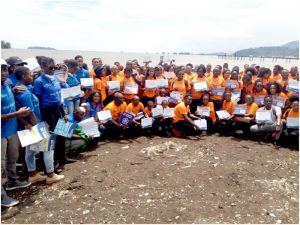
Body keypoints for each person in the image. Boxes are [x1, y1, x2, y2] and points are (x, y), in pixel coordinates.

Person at [14, 66, 65, 185]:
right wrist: (39, 128)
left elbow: (16, 110)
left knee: (29, 151)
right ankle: (51, 175)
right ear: (24, 77)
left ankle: (33, 174)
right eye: (30, 75)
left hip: (26, 126)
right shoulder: (25, 93)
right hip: (33, 125)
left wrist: (25, 123)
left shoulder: (19, 89)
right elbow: (30, 112)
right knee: (48, 148)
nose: (32, 77)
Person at [33, 56, 75, 172]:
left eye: (53, 66)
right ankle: (46, 166)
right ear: (42, 67)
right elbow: (37, 101)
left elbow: (59, 97)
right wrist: (42, 120)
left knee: (62, 135)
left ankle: (62, 158)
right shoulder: (38, 81)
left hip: (58, 109)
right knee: (48, 139)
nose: (52, 69)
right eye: (49, 66)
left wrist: (64, 113)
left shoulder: (56, 78)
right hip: (47, 112)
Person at [1, 59, 31, 207]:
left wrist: (13, 91)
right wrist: (17, 114)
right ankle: (1, 197)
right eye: (1, 70)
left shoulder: (7, 85)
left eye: (5, 70)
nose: (3, 73)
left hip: (11, 130)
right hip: (1, 133)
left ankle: (12, 181)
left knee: (12, 157)